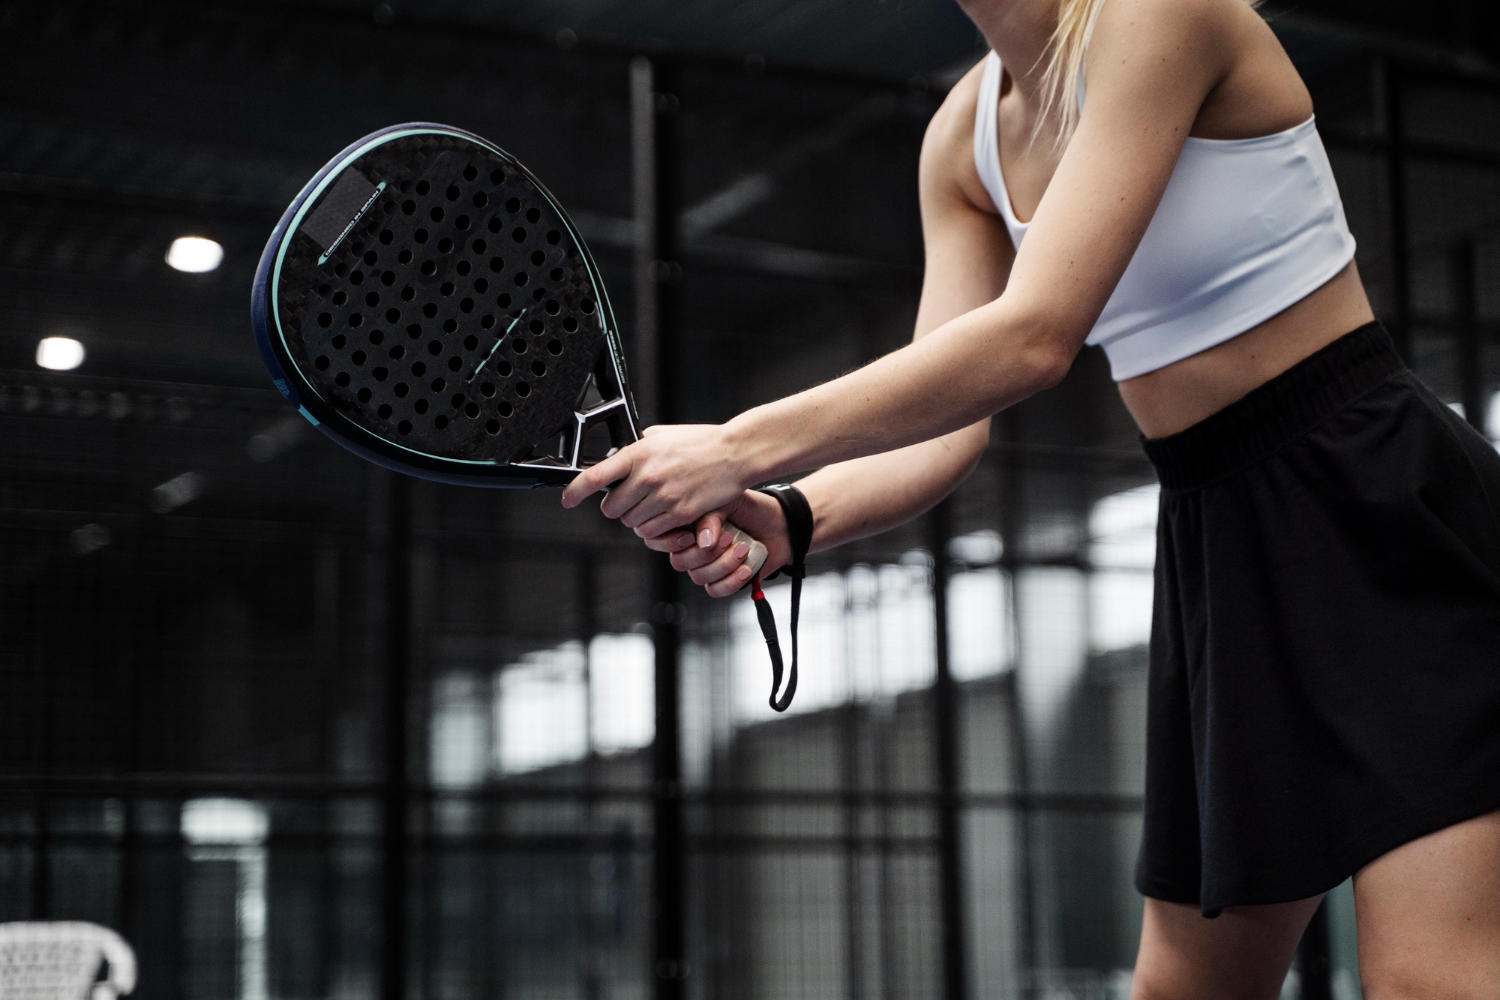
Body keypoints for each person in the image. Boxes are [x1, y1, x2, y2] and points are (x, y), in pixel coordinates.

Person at [561, 0, 1500, 994]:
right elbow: (948, 424)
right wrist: (796, 515)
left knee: (1428, 982)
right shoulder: (961, 146)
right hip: (1217, 546)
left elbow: (1034, 335)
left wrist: (738, 445)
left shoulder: (1158, 18)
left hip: (1376, 507)